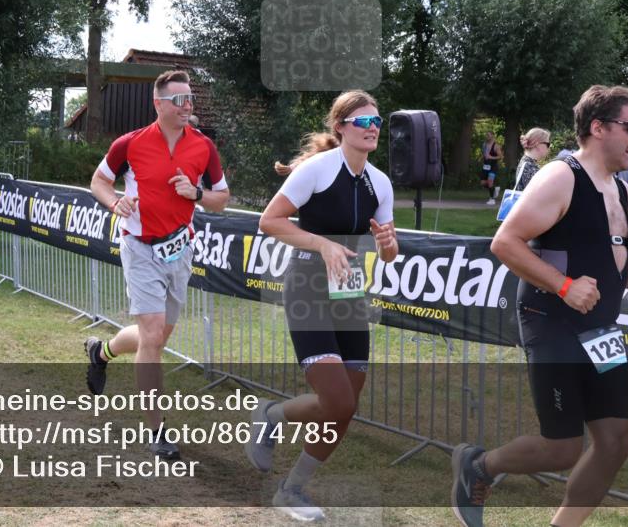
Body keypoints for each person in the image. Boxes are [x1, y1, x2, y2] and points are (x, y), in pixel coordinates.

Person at [453, 85, 628, 527]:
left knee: (616, 440)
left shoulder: (618, 187)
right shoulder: (561, 176)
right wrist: (563, 286)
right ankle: (478, 466)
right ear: (598, 128)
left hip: (601, 327)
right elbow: (505, 242)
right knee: (562, 447)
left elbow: (609, 254)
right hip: (552, 321)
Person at [246, 90, 398, 521]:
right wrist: (323, 244)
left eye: (377, 122)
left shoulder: (381, 182)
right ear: (340, 128)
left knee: (346, 406)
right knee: (336, 401)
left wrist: (388, 244)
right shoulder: (317, 170)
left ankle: (290, 483)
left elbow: (388, 252)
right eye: (363, 122)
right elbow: (269, 221)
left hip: (348, 287)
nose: (372, 129)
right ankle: (273, 420)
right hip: (308, 284)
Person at [84, 70, 230, 459]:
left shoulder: (203, 146)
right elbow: (98, 182)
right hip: (140, 248)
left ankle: (101, 352)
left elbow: (222, 197)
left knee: (157, 338)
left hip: (179, 251)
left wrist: (196, 193)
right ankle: (157, 430)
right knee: (151, 338)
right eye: (179, 100)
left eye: (190, 99)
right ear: (158, 104)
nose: (187, 106)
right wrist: (116, 202)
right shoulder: (129, 144)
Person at [514, 127, 551, 192]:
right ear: (537, 144)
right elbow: (541, 193)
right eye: (548, 144)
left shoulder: (527, 162)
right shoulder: (529, 166)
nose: (549, 147)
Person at [480, 131, 503, 205]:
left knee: (490, 181)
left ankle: (492, 199)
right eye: (486, 135)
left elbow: (500, 156)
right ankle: (494, 189)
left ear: (493, 136)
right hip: (485, 166)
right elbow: (484, 154)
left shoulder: (496, 146)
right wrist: (482, 158)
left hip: (493, 166)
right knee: (483, 183)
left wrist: (491, 157)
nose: (487, 136)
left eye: (489, 135)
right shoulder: (484, 145)